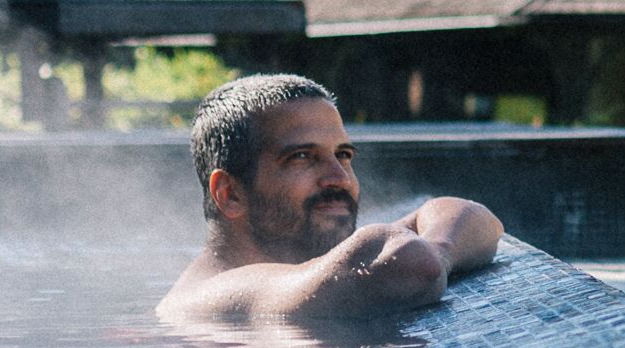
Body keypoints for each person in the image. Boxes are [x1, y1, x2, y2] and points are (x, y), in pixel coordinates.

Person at [161, 74, 502, 327]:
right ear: (229, 193)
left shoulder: (296, 267)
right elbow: (408, 265)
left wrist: (434, 249)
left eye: (343, 155)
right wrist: (430, 254)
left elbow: (472, 216)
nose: (339, 177)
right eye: (302, 157)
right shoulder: (212, 296)